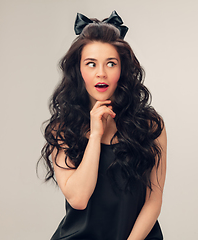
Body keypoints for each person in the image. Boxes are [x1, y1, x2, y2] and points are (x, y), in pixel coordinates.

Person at [39, 11, 167, 240]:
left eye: (111, 63)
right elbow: (78, 199)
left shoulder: (149, 126)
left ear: (122, 70)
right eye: (91, 64)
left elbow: (153, 201)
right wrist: (95, 134)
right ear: (79, 71)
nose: (101, 73)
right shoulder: (62, 129)